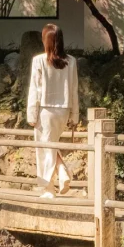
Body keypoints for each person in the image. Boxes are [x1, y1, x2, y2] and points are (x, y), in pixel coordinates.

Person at [25, 24, 79, 198]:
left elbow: (35, 89)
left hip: (45, 111)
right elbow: (74, 89)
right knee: (51, 146)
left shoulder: (39, 60)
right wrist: (75, 115)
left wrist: (31, 114)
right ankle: (62, 172)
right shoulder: (71, 61)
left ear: (45, 40)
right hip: (64, 110)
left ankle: (48, 188)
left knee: (44, 149)